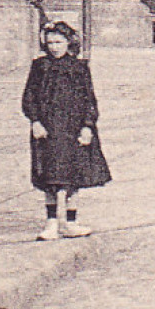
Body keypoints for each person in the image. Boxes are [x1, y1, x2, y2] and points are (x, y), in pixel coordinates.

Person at [22, 21, 111, 241]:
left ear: (68, 42)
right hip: (47, 128)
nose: (54, 47)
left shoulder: (79, 68)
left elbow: (89, 99)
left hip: (73, 128)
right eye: (50, 42)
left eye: (58, 42)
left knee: (73, 176)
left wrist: (88, 126)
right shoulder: (39, 66)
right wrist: (35, 121)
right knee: (50, 177)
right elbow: (29, 96)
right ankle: (51, 223)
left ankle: (71, 223)